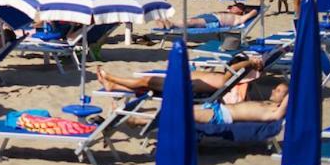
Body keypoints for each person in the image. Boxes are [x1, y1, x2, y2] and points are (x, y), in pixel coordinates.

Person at [99, 54, 266, 100]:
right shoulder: (227, 77)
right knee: (147, 86)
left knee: (145, 81)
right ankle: (112, 87)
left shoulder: (226, 79)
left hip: (182, 86)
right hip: (181, 82)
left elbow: (233, 72)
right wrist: (250, 63)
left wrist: (249, 63)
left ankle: (112, 78)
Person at [193, 84, 289, 125]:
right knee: (182, 109)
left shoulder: (275, 111)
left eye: (278, 91)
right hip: (219, 107)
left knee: (184, 116)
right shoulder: (267, 103)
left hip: (222, 115)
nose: (273, 91)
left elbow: (278, 115)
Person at [156, 2, 259, 30]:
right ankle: (169, 23)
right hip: (210, 16)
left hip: (215, 21)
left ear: (241, 11)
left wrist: (247, 9)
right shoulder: (229, 12)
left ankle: (171, 24)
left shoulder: (239, 18)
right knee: (190, 20)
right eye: (233, 6)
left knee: (192, 22)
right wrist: (229, 9)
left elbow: (255, 11)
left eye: (237, 6)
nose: (233, 7)